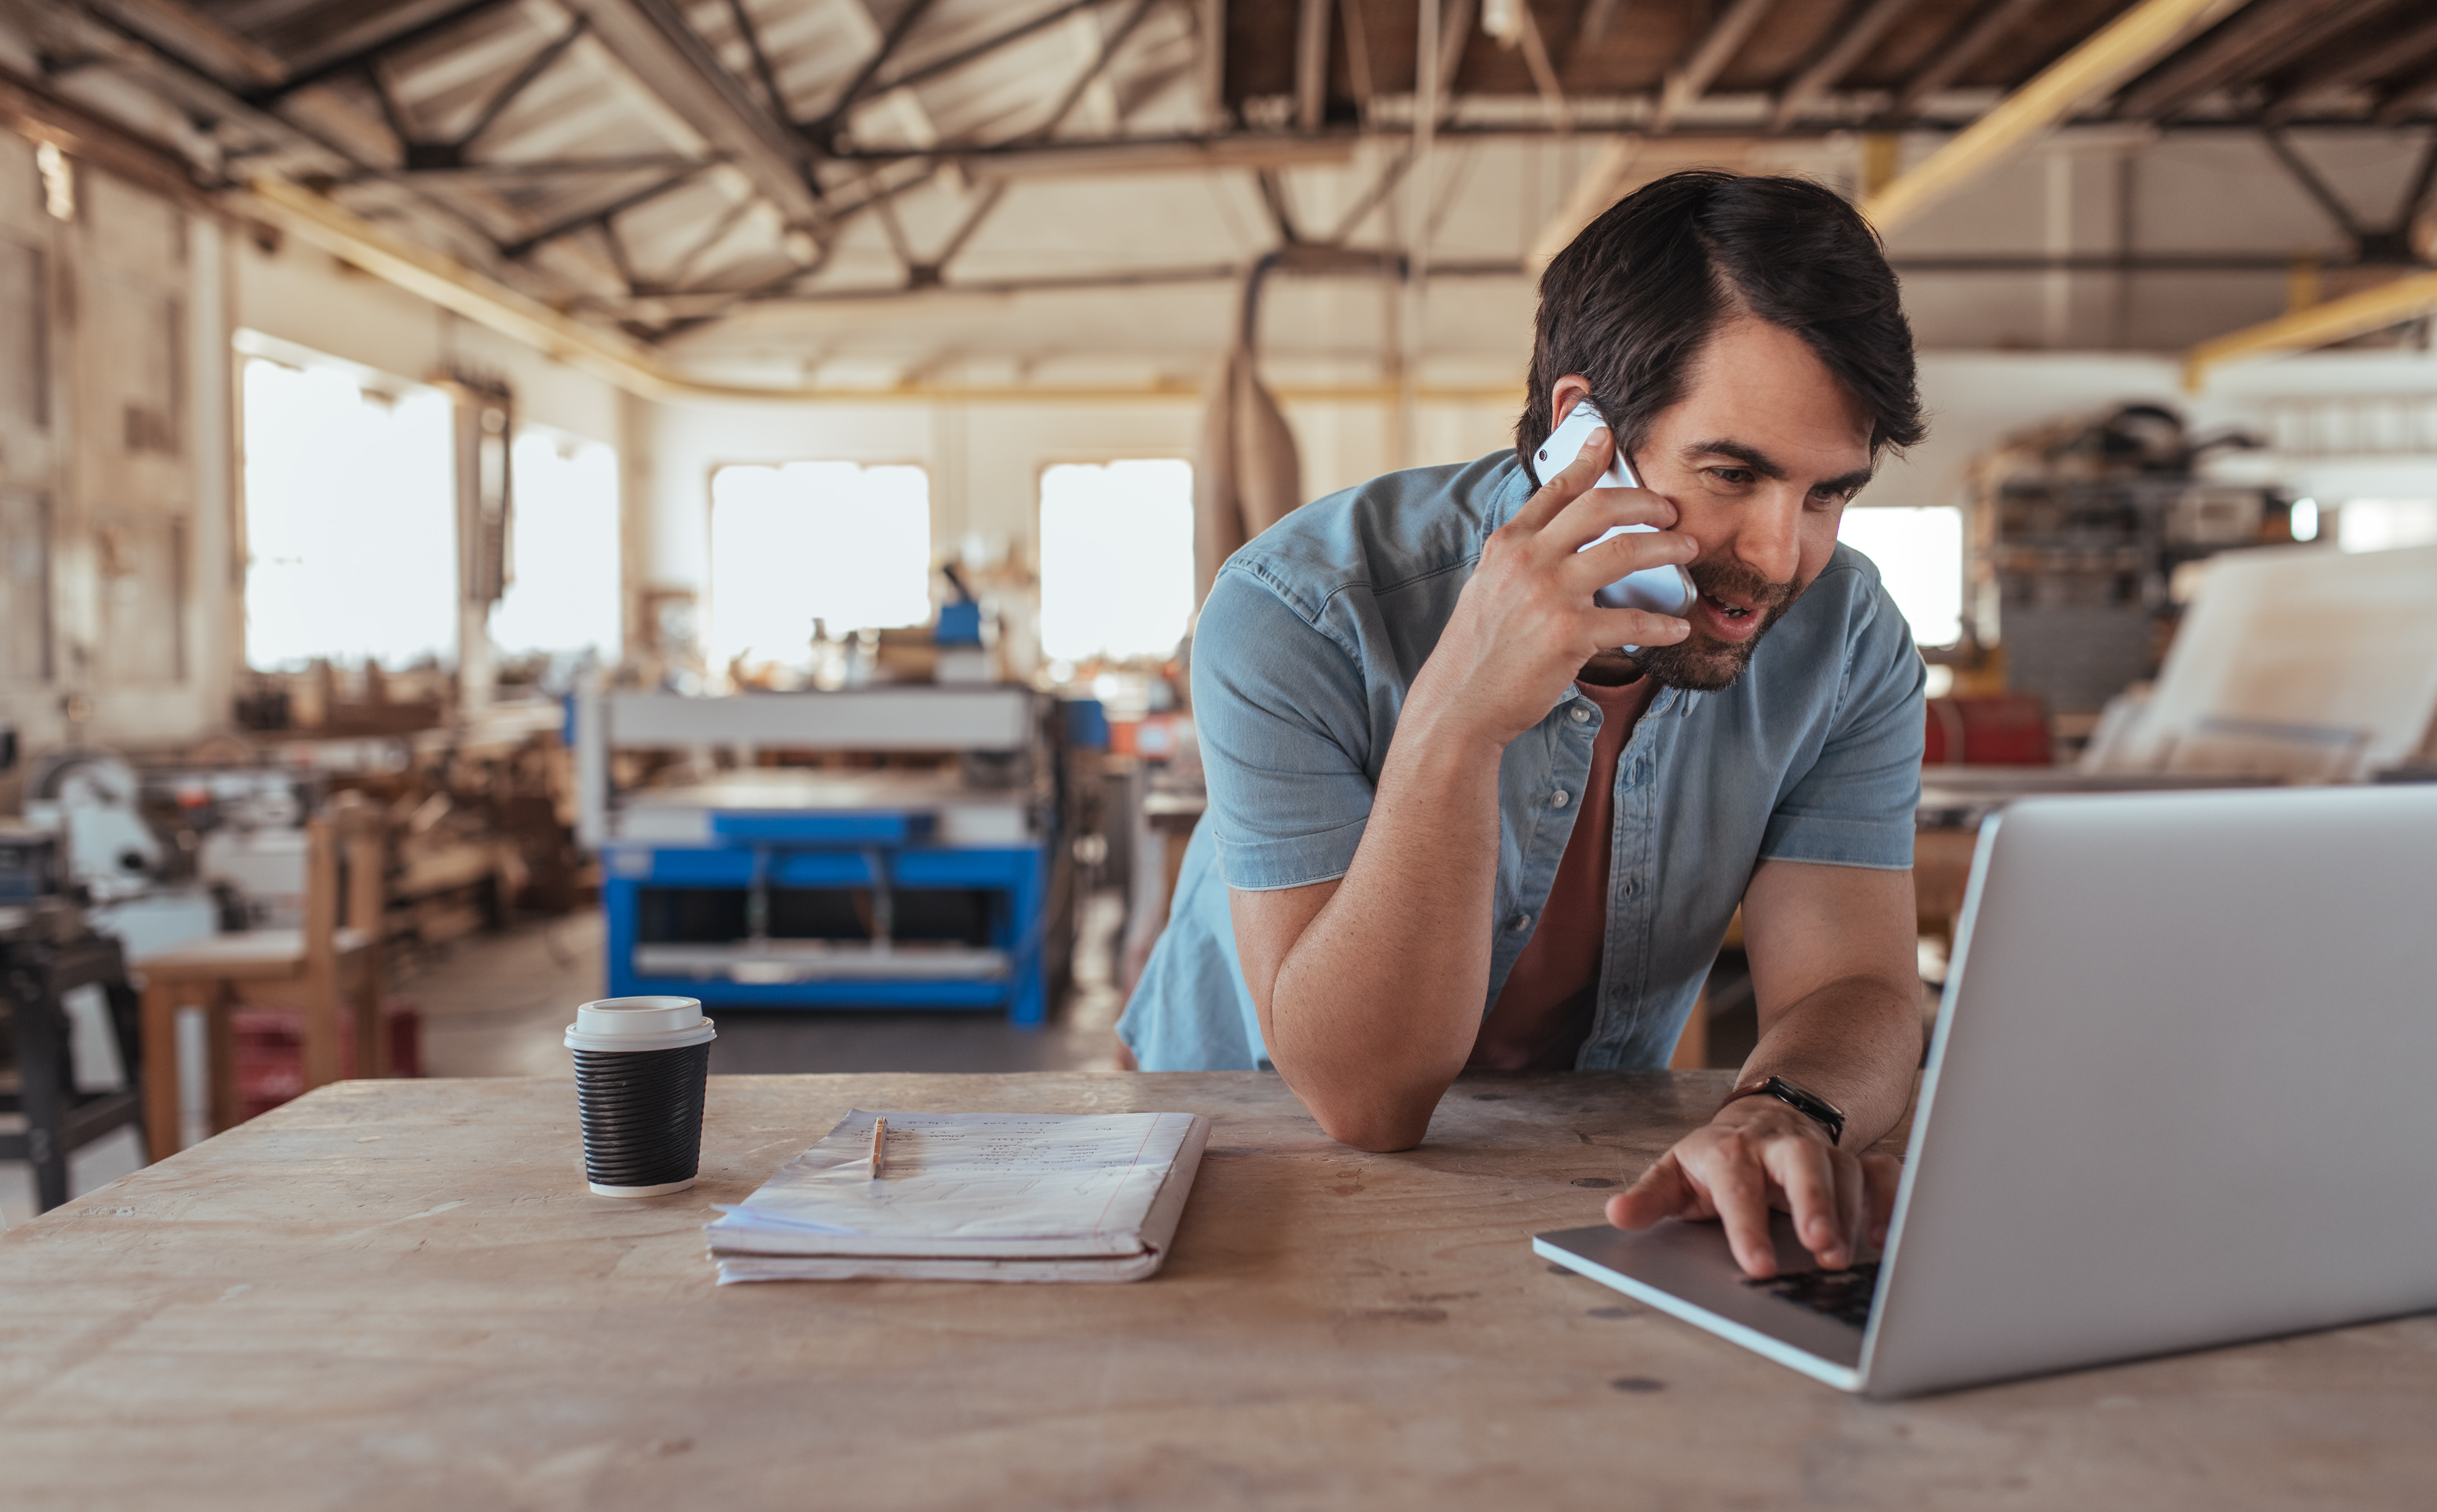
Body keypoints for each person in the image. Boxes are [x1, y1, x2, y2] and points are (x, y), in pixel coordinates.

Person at [1118, 170, 1931, 1281]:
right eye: (1732, 473)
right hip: (1240, 1145)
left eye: (1829, 493)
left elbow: (1858, 989)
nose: (1782, 555)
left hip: (1587, 1160)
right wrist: (1458, 719)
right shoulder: (1295, 612)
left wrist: (1787, 1107)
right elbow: (1365, 1102)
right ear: (1582, 431)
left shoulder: (1848, 638)